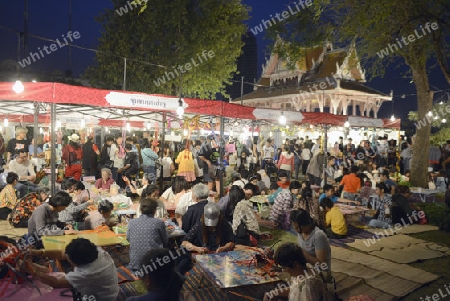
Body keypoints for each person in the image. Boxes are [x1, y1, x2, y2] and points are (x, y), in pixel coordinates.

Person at [26, 238, 119, 301]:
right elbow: (63, 253)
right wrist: (39, 252)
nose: (65, 257)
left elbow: (56, 283)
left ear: (76, 263)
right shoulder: (93, 250)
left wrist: (32, 270)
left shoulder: (89, 272)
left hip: (101, 298)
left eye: (68, 258)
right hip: (102, 286)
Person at [263, 242, 334, 301]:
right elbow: (295, 289)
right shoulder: (305, 270)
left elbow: (301, 290)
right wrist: (275, 293)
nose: (283, 270)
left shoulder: (307, 288)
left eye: (284, 267)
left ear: (295, 265)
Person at [127, 197, 168, 272]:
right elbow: (165, 241)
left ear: (140, 210)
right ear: (155, 211)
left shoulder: (132, 222)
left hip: (135, 264)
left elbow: (128, 238)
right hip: (154, 264)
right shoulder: (159, 223)